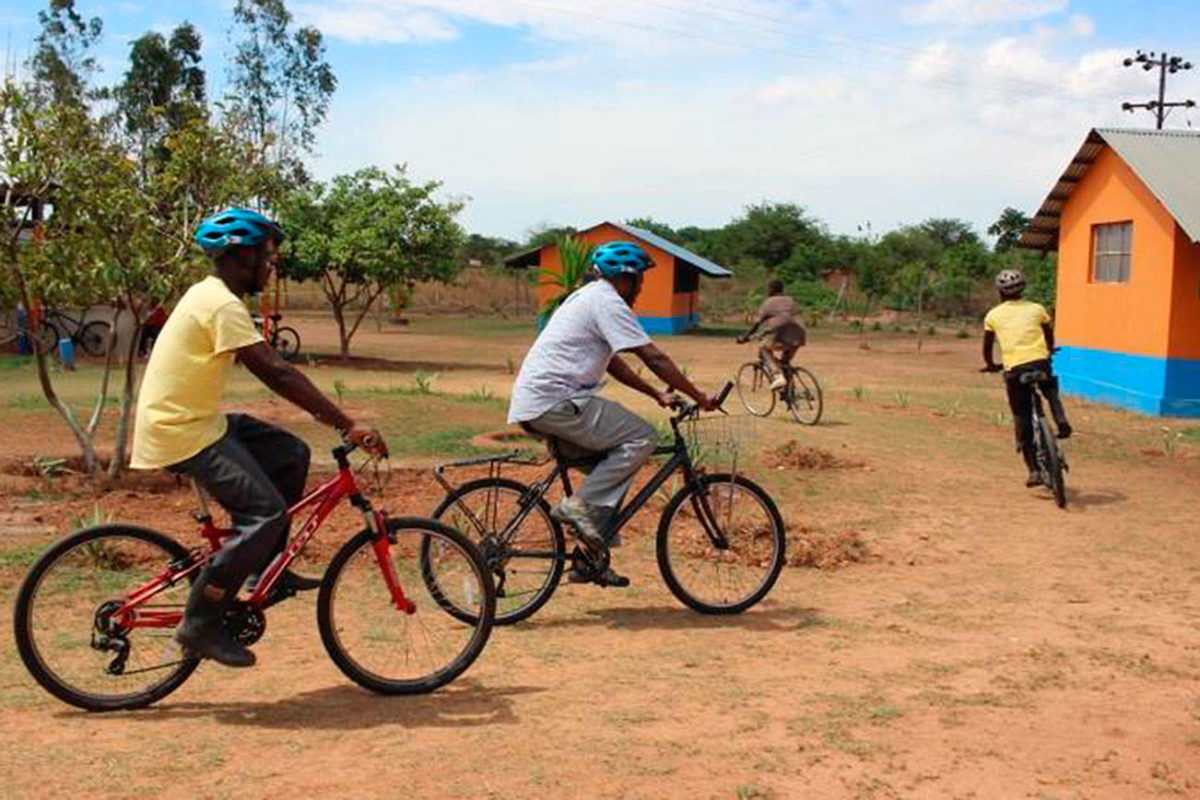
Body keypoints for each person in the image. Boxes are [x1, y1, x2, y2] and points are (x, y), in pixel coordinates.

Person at [131, 208, 387, 668]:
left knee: (290, 454)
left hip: (196, 419)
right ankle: (200, 623)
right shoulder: (221, 304)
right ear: (241, 255)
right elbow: (275, 370)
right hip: (181, 430)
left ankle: (266, 569)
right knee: (265, 514)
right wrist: (347, 424)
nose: (272, 266)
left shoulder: (212, 295)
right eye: (267, 256)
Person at [508, 240, 718, 586]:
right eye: (639, 281)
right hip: (557, 401)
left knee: (619, 468)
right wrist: (698, 395)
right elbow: (654, 357)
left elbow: (615, 362)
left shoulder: (588, 297)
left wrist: (655, 394)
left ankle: (588, 560)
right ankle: (577, 508)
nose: (640, 288)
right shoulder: (606, 300)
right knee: (642, 437)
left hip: (542, 404)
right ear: (624, 278)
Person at [981, 268, 1072, 488]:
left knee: (1021, 415)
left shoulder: (993, 315)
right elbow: (1048, 335)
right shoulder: (1038, 309)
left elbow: (987, 346)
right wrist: (1049, 350)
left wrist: (991, 365)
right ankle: (1061, 420)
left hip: (1014, 370)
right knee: (1049, 390)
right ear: (1023, 289)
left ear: (1000, 292)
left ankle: (1033, 471)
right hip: (1040, 362)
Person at [737, 279, 807, 390]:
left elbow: (757, 324)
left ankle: (778, 376)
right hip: (800, 334)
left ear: (771, 290)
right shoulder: (790, 300)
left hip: (781, 333)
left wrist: (745, 337)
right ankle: (791, 392)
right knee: (785, 362)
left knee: (764, 348)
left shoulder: (769, 302)